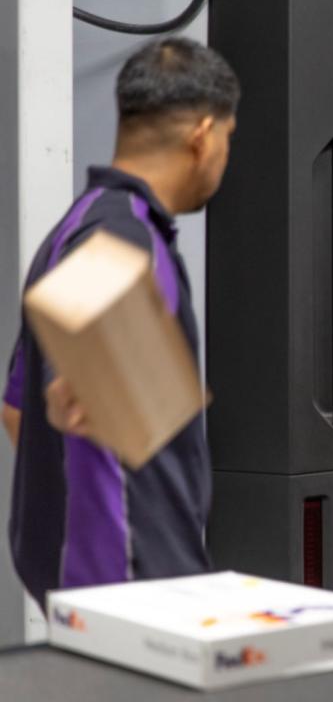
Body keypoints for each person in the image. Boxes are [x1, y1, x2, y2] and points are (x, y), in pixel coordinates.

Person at [4, 37, 239, 610]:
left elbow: (19, 408)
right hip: (129, 580)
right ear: (202, 135)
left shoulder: (82, 225)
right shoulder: (121, 241)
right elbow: (70, 401)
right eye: (228, 140)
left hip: (95, 575)